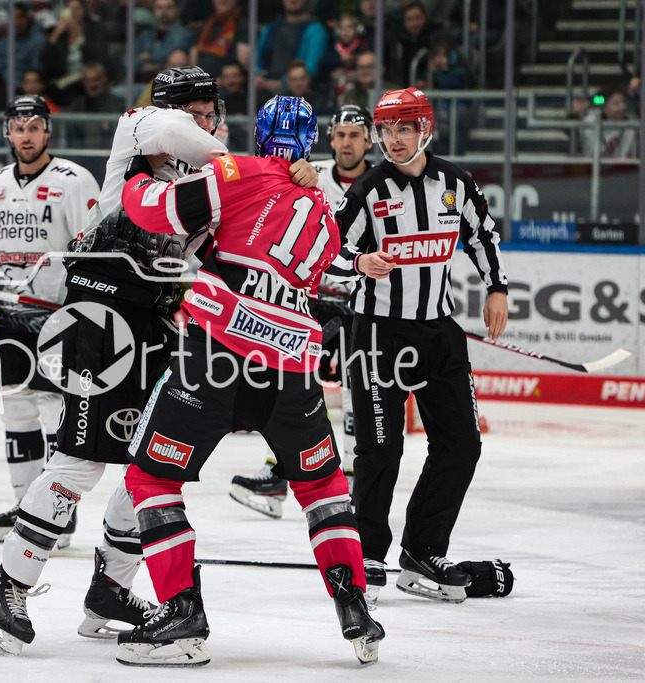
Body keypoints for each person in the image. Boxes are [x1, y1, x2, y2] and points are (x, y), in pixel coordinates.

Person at [0, 65, 320, 657]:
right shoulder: (143, 126)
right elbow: (196, 143)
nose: (216, 122)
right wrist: (268, 166)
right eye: (205, 110)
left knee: (146, 465)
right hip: (104, 308)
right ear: (182, 108)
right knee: (80, 461)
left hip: (158, 316)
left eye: (217, 112)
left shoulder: (217, 167)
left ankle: (111, 589)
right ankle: (4, 591)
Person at [117, 95, 384, 668]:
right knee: (323, 486)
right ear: (312, 142)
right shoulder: (322, 201)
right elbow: (326, 274)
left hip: (216, 356)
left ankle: (183, 612)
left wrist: (136, 169)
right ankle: (355, 605)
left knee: (150, 479)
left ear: (260, 135)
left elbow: (152, 211)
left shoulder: (238, 169)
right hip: (291, 369)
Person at [323, 87, 509, 604]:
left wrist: (496, 288)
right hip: (377, 333)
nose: (392, 139)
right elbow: (328, 250)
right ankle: (370, 552)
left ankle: (423, 550)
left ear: (425, 129)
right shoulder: (369, 191)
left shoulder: (456, 182)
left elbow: (482, 236)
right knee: (380, 450)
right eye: (385, 130)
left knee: (461, 445)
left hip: (438, 333)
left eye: (403, 128)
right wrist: (359, 263)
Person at [0, 95, 99, 544]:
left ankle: (58, 509)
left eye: (35, 127)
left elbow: (92, 243)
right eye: (19, 128)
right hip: (8, 317)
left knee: (58, 411)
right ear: (7, 133)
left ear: (47, 131)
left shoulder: (74, 180)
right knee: (15, 410)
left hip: (58, 317)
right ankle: (24, 507)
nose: (26, 135)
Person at [230, 103, 374, 519]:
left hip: (358, 304)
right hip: (306, 302)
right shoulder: (311, 172)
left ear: (368, 141)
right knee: (292, 387)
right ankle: (279, 475)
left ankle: (350, 481)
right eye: (341, 135)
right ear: (329, 138)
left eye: (355, 135)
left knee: (354, 392)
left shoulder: (380, 183)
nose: (347, 142)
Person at [256, 0, 329, 99]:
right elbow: (257, 59)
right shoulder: (270, 28)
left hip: (296, 88)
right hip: (264, 86)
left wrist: (283, 82)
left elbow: (311, 67)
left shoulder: (316, 29)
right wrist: (258, 76)